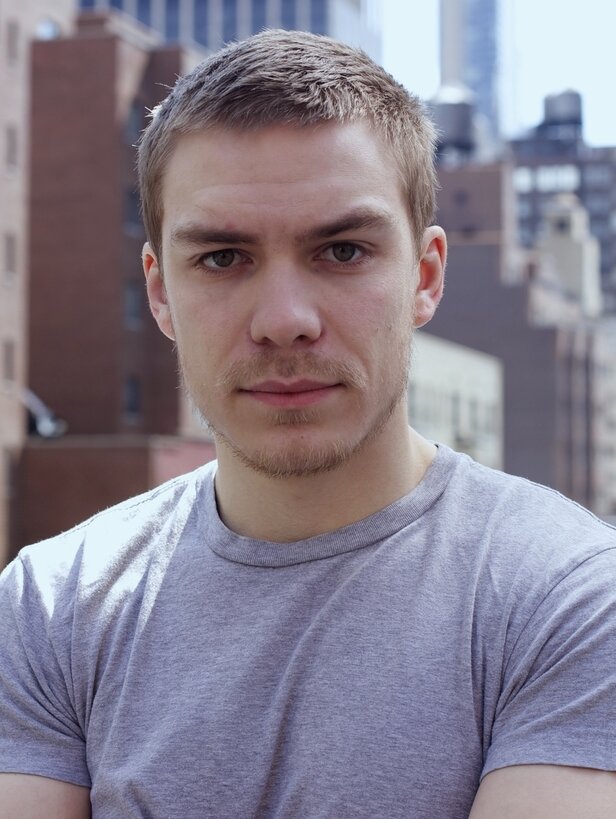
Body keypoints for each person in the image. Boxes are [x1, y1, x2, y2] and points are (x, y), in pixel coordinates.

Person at [0, 29, 615, 819]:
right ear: (159, 293)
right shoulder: (49, 606)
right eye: (223, 258)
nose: (284, 320)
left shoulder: (571, 597)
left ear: (425, 276)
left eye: (343, 251)